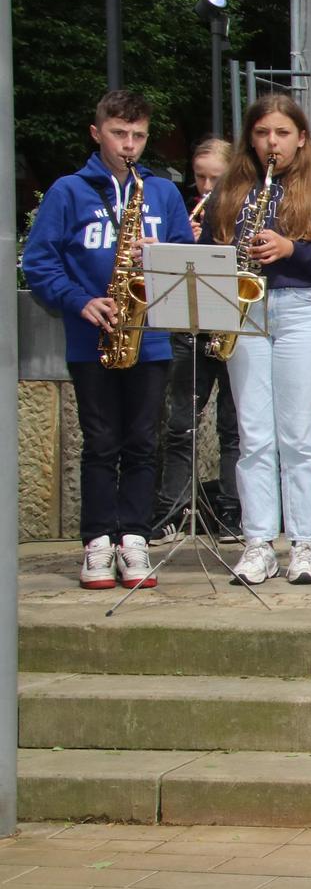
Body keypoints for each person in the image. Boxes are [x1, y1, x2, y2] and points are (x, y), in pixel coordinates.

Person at [23, 90, 194, 589]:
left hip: (151, 337)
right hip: (91, 335)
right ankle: (98, 540)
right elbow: (39, 261)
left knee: (143, 442)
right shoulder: (68, 191)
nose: (130, 145)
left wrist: (161, 253)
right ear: (97, 134)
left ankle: (135, 537)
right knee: (100, 442)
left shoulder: (160, 192)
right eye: (120, 134)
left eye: (139, 136)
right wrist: (81, 300)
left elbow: (186, 256)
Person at [206, 94, 311, 586]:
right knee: (253, 436)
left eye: (282, 133)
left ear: (301, 138)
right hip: (245, 310)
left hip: (300, 310)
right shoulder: (233, 190)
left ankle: (304, 546)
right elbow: (210, 253)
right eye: (262, 133)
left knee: (298, 436)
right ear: (250, 138)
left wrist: (291, 248)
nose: (272, 142)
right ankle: (257, 544)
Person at [154, 137, 241, 535]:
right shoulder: (184, 212)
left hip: (232, 326)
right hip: (192, 327)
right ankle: (170, 507)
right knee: (181, 421)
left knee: (234, 426)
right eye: (200, 177)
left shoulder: (244, 209)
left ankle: (231, 508)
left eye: (215, 178)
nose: (206, 187)